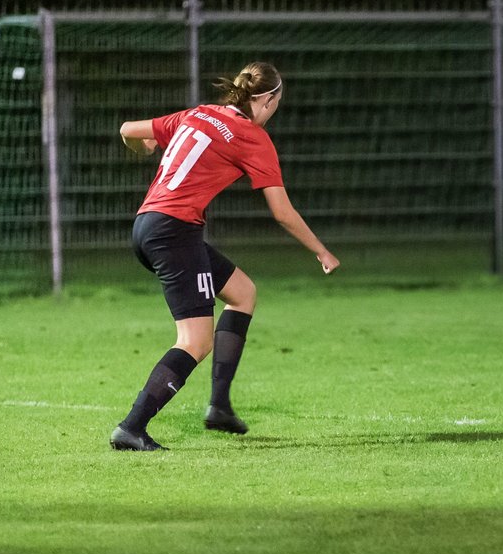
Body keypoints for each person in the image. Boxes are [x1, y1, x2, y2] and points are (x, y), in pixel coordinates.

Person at [110, 62, 340, 451]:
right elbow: (282, 212)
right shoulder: (253, 137)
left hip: (147, 224)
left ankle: (218, 406)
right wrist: (321, 250)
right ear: (266, 100)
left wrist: (143, 147)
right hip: (174, 232)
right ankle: (132, 427)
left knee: (242, 293)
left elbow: (128, 131)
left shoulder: (198, 113)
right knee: (195, 340)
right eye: (277, 101)